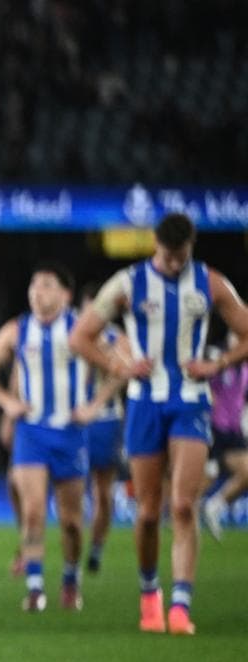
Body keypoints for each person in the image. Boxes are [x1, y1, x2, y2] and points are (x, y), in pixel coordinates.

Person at [70, 212, 248, 635]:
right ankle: (150, 593)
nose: (173, 264)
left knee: (183, 505)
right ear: (155, 244)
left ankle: (181, 605)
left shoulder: (211, 282)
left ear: (192, 246)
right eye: (168, 256)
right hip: (145, 404)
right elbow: (80, 336)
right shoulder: (128, 284)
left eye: (180, 256)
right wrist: (118, 363)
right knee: (149, 512)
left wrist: (218, 362)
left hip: (190, 402)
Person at [0, 263, 92, 613]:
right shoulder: (17, 331)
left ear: (65, 294)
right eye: (33, 286)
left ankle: (71, 576)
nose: (38, 293)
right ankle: (36, 587)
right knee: (34, 511)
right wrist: (7, 402)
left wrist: (96, 405)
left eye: (47, 286)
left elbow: (122, 361)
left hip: (70, 432)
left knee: (71, 522)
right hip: (32, 432)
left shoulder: (81, 330)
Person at [74, 284, 127, 575]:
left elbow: (123, 374)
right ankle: (73, 550)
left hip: (106, 420)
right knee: (72, 488)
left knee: (103, 493)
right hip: (74, 420)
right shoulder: (70, 334)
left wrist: (95, 403)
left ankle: (95, 548)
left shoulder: (117, 338)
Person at [201, 334, 248, 541]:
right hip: (213, 431)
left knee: (246, 472)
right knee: (203, 480)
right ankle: (183, 516)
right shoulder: (217, 356)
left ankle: (214, 507)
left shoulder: (244, 366)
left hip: (233, 431)